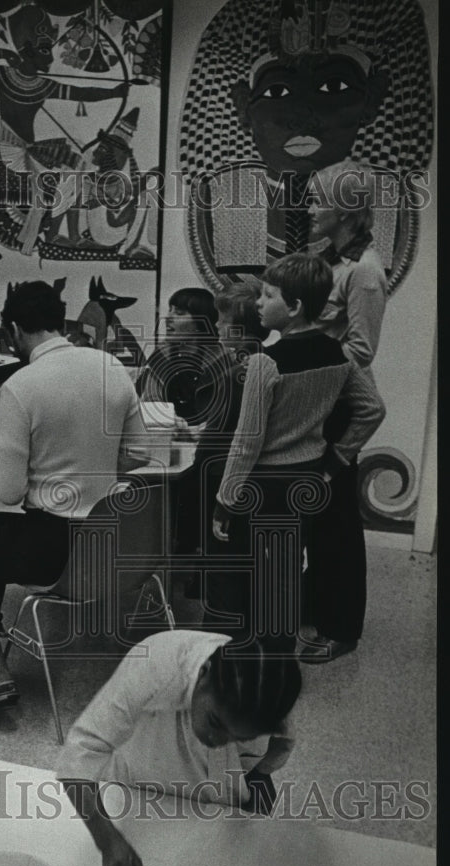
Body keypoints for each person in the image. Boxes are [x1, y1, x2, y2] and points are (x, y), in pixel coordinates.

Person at [0, 280, 149, 720]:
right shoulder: (111, 366)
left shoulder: (21, 386)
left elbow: (10, 492)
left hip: (54, 548)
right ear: (61, 321)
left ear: (14, 329)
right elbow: (139, 453)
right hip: (110, 538)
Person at [212, 253, 385, 654]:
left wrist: (225, 499)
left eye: (268, 295)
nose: (258, 303)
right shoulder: (339, 354)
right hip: (309, 476)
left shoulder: (265, 362)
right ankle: (280, 648)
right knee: (288, 565)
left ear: (294, 307)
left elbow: (246, 441)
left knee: (258, 569)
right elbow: (372, 409)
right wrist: (336, 460)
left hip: (266, 483)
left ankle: (258, 651)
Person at [56, 629, 300, 866]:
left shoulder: (267, 697)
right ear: (204, 675)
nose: (217, 739)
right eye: (215, 722)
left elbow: (283, 738)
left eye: (238, 736)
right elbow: (80, 752)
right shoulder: (153, 666)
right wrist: (107, 841)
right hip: (145, 767)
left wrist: (260, 774)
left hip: (215, 785)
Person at [301, 159, 387, 662]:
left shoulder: (366, 270)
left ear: (347, 210)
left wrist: (308, 369)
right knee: (316, 518)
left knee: (336, 526)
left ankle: (342, 627)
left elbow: (360, 349)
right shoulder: (330, 258)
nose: (310, 208)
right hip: (316, 398)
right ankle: (317, 603)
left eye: (318, 200)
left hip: (336, 404)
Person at [174, 284, 268, 607]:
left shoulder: (238, 371)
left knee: (221, 561)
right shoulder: (256, 362)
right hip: (229, 470)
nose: (216, 326)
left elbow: (226, 430)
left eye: (223, 320)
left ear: (240, 329)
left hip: (220, 472)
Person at [136, 287, 220, 425]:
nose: (168, 317)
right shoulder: (162, 354)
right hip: (170, 434)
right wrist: (170, 420)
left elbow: (225, 411)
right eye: (170, 310)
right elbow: (152, 400)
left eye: (179, 313)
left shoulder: (223, 359)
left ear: (200, 323)